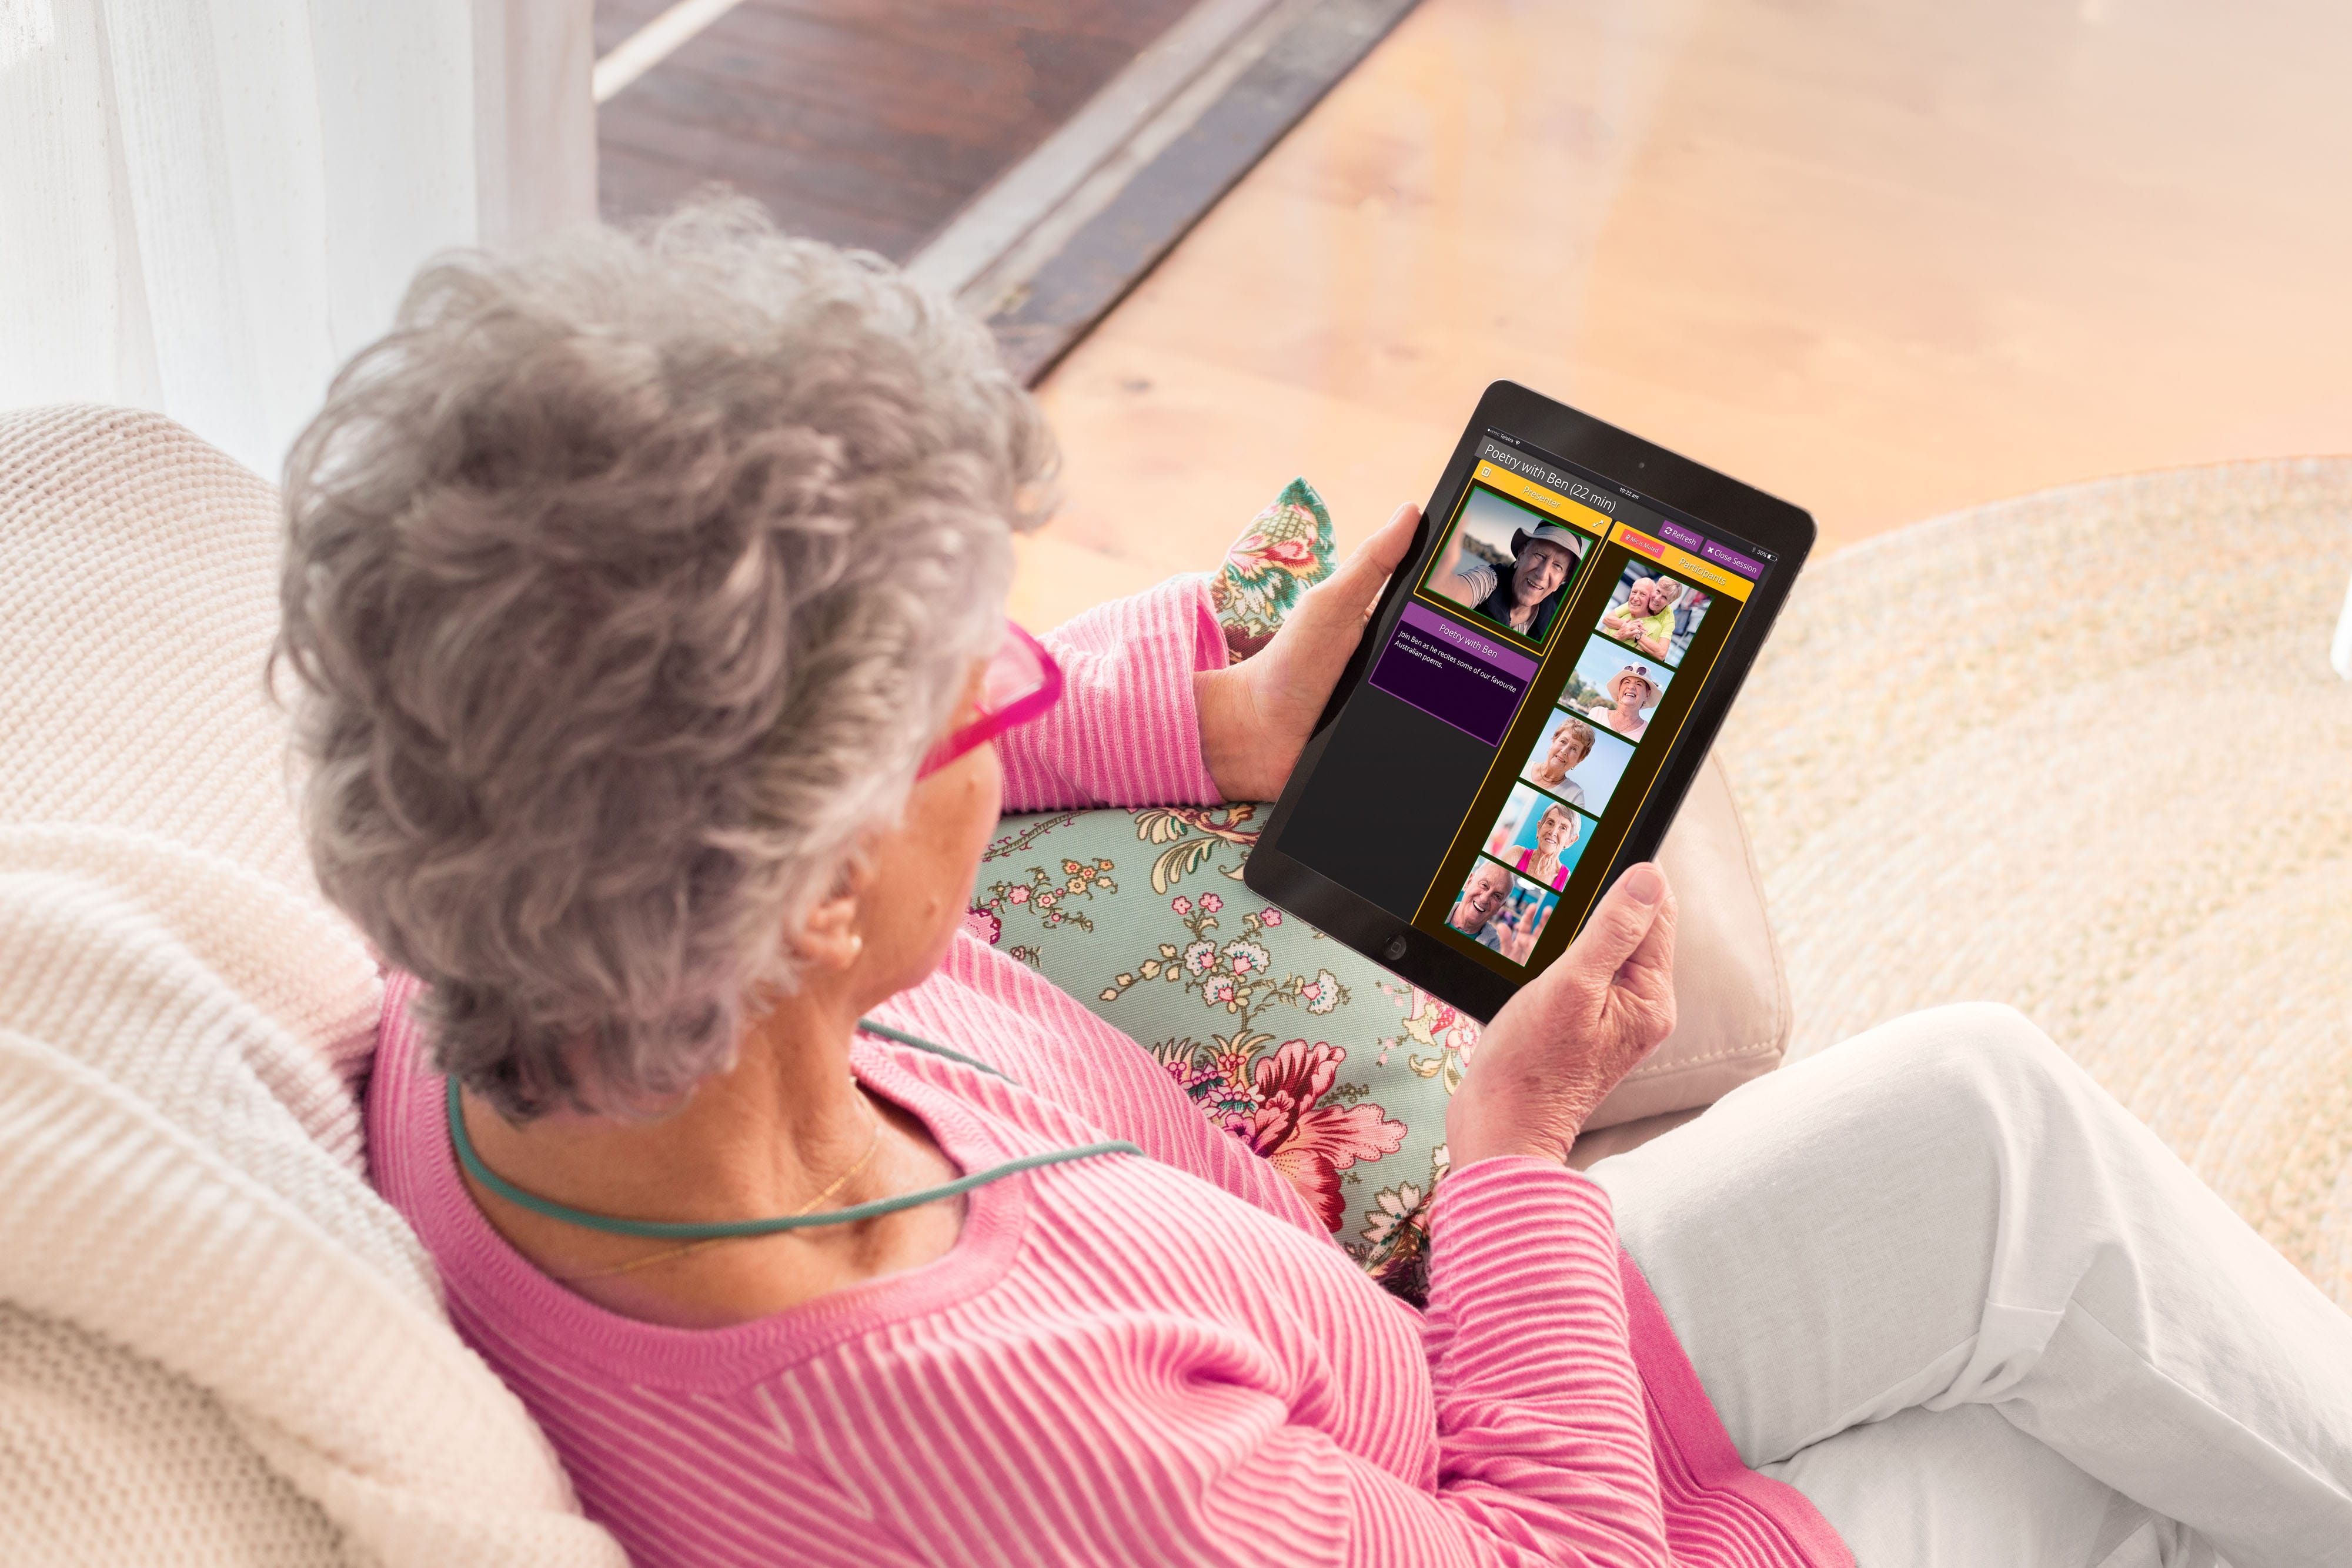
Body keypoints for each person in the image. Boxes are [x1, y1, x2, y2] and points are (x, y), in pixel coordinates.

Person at [287, 204, 2352, 1568]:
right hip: (1502, 1491)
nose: (1020, 714)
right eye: (977, 692)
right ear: (811, 880)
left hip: (1378, 1377)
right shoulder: (1012, 1429)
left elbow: (841, 751)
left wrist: (1217, 717)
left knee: (1989, 1120)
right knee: (2104, 1477)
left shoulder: (532, 936)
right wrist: (1518, 1141)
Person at [1430, 513, 1580, 641]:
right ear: (1521, 554)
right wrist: (1440, 578)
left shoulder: (1554, 628)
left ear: (1562, 581)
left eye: (1558, 566)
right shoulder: (1489, 581)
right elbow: (1453, 592)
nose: (1542, 574)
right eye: (1539, 555)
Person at [1603, 573, 1682, 660]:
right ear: (1654, 588)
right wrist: (1631, 626)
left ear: (1669, 603)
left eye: (1665, 598)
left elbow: (1661, 654)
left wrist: (1636, 633)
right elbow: (1607, 619)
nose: (1657, 599)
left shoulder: (1668, 620)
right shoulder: (1640, 600)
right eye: (1658, 591)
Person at [1525, 714, 1596, 805]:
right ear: (1554, 741)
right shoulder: (1524, 765)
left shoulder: (1575, 796)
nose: (1564, 751)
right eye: (1563, 742)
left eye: (1574, 748)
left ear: (1580, 759)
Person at [1512, 801, 1581, 891]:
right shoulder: (1516, 854)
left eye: (1563, 828)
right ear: (1539, 828)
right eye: (1550, 823)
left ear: (1571, 841)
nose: (1553, 832)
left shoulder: (1567, 881)